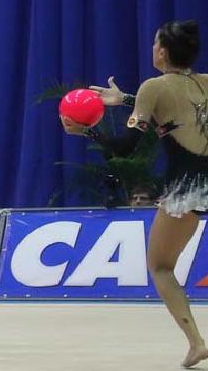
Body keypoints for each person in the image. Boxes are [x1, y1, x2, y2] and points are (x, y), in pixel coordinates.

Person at [62, 20, 208, 368]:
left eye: (155, 43)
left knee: (160, 266)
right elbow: (179, 115)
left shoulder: (153, 86)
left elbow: (125, 148)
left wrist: (87, 132)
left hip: (184, 191)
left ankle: (196, 343)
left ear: (161, 51)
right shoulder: (205, 83)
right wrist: (125, 99)